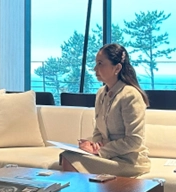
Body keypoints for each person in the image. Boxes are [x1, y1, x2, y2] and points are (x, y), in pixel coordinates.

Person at [60, 43, 151, 178]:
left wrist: (100, 150)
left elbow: (134, 141)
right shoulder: (101, 93)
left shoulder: (130, 95)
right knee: (67, 155)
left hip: (128, 160)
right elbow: (98, 129)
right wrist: (94, 146)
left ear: (117, 68)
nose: (95, 68)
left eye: (100, 63)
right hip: (107, 156)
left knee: (69, 158)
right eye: (96, 63)